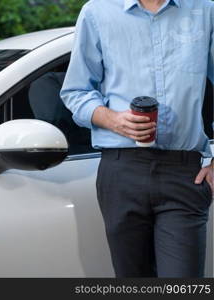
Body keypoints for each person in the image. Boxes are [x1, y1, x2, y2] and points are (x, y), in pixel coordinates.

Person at [60, 0, 214, 277]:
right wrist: (113, 120)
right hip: (121, 171)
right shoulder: (97, 12)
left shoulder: (205, 9)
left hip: (184, 173)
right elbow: (75, 91)